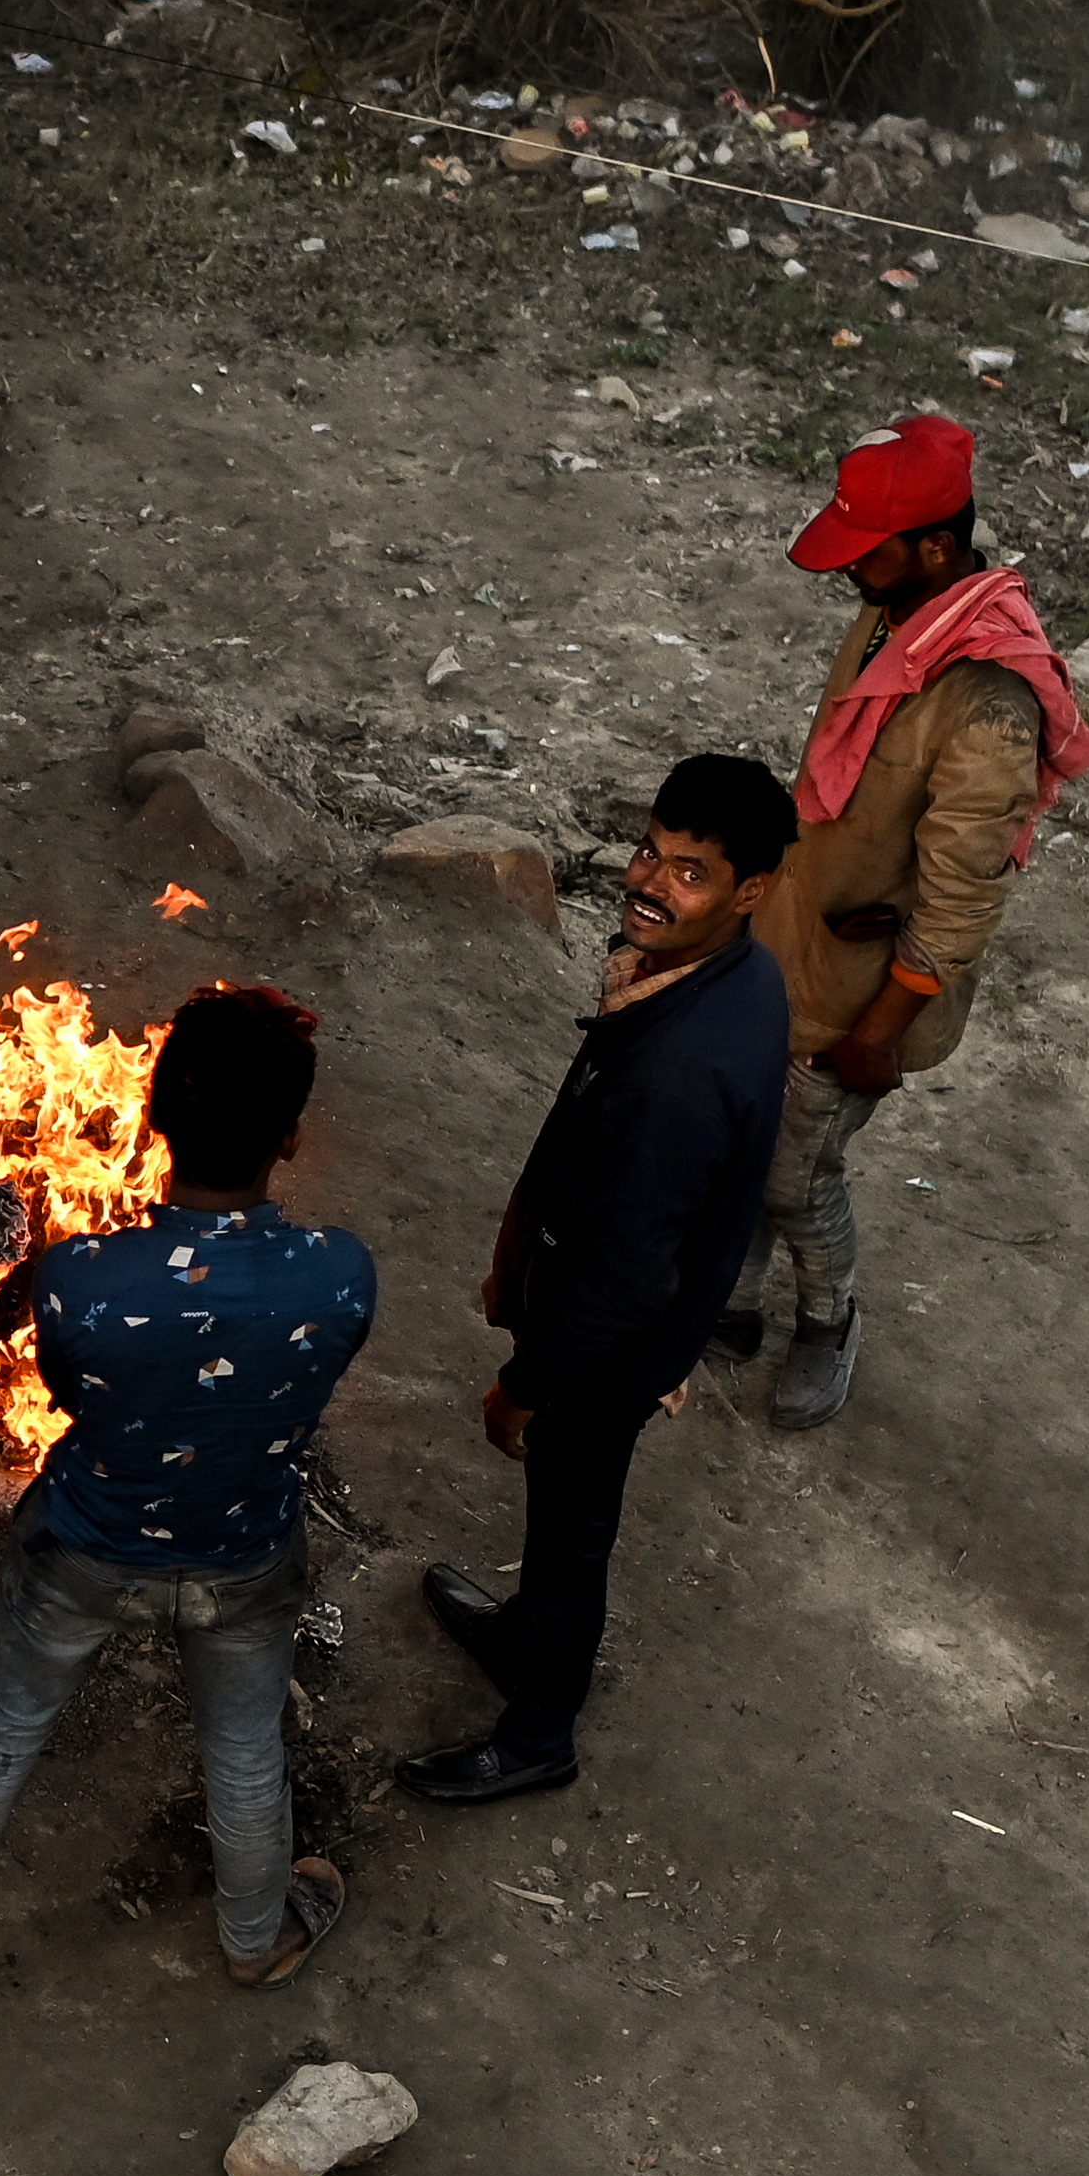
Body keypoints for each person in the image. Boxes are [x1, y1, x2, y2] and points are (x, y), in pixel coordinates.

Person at [0, 985, 373, 1986]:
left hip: (83, 1550)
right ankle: (256, 1939)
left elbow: (75, 1398)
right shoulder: (339, 1272)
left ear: (154, 1116)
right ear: (289, 1139)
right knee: (245, 1753)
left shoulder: (79, 1277)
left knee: (3, 1726)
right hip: (245, 1555)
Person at [401, 754, 796, 1806]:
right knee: (561, 1520)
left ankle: (538, 1731)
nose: (649, 884)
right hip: (621, 1313)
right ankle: (523, 1634)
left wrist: (523, 1386)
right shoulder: (736, 975)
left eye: (690, 873)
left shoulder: (679, 1071)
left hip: (605, 1354)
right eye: (648, 853)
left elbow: (621, 1280)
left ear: (750, 889)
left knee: (572, 1527)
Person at [730, 411, 1089, 1428]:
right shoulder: (896, 616)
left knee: (796, 1175)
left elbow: (962, 899)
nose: (848, 568)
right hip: (799, 949)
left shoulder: (985, 704)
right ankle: (730, 1301)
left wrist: (879, 1034)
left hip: (864, 997)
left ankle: (826, 1321)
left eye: (868, 548)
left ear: (936, 546)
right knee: (751, 1135)